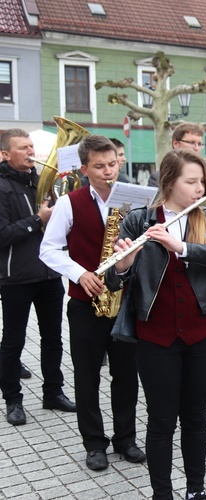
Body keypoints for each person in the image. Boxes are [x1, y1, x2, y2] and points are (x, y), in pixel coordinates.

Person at [105, 148, 206, 500]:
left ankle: (196, 491)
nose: (199, 189)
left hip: (201, 333)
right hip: (156, 336)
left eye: (201, 182)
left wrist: (183, 247)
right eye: (190, 182)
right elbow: (114, 284)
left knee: (195, 418)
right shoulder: (140, 220)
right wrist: (123, 264)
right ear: (168, 183)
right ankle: (161, 494)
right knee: (162, 421)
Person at [40, 135, 144, 470]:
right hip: (87, 302)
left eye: (112, 164)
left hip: (125, 300)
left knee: (127, 376)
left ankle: (126, 439)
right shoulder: (70, 202)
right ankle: (94, 444)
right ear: (84, 169)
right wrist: (80, 273)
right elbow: (48, 249)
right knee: (87, 377)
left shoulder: (134, 199)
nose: (108, 171)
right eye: (99, 167)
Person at [0, 129, 75, 427]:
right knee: (13, 341)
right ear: (6, 154)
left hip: (48, 273)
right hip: (16, 276)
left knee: (53, 338)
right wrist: (38, 220)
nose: (31, 152)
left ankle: (53, 392)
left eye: (32, 146)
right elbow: (3, 234)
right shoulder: (2, 186)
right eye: (23, 148)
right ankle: (13, 400)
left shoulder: (41, 183)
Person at [148, 122, 205, 187]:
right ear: (176, 144)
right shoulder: (158, 178)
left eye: (199, 144)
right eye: (192, 143)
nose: (196, 148)